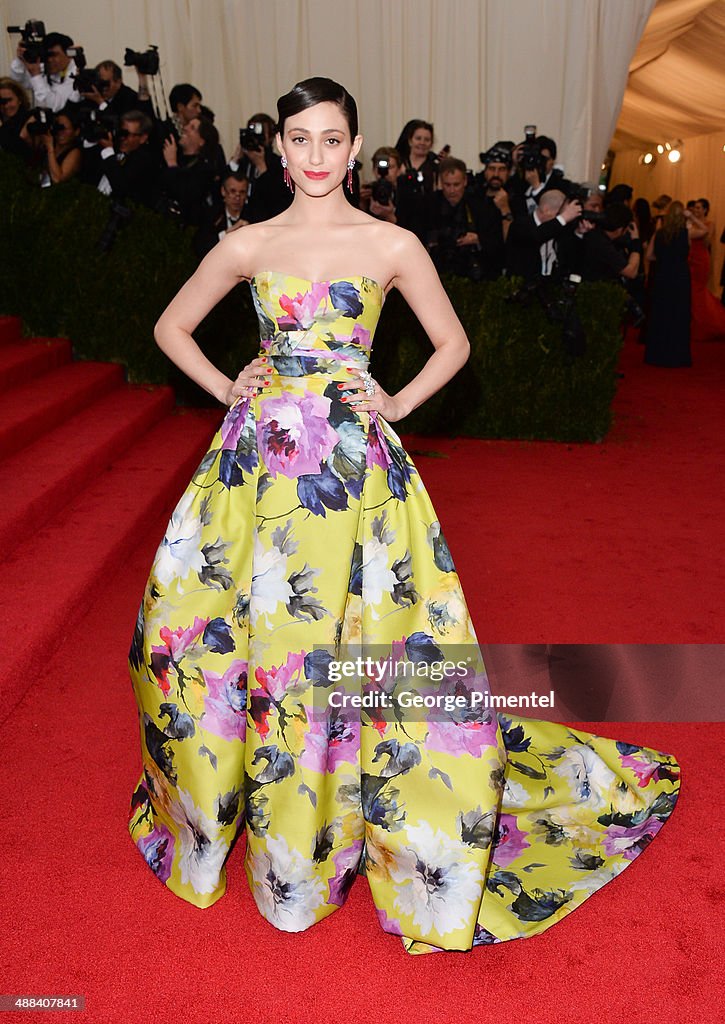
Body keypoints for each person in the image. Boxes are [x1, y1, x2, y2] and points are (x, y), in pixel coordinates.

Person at [127, 76, 681, 956]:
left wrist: (396, 401)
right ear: (278, 147)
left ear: (355, 147)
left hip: (351, 473)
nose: (314, 155)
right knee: (215, 638)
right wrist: (228, 384)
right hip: (255, 473)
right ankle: (246, 824)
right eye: (299, 139)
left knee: (349, 642)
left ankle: (325, 831)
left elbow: (453, 342)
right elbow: (170, 328)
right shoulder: (247, 243)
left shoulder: (388, 242)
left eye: (331, 139)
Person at [644, 200, 707, 367]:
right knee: (678, 315)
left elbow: (649, 256)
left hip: (663, 276)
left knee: (661, 313)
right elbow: (704, 230)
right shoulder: (686, 233)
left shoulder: (659, 233)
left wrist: (664, 258)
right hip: (679, 278)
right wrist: (692, 216)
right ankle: (677, 355)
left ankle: (657, 354)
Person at [686, 198, 725, 342]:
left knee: (698, 290)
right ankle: (691, 323)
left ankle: (707, 324)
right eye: (694, 208)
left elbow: (707, 241)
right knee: (689, 291)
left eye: (698, 208)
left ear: (705, 210)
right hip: (689, 258)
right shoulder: (690, 223)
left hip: (701, 259)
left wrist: (695, 222)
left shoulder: (709, 224)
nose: (696, 210)